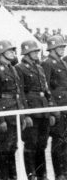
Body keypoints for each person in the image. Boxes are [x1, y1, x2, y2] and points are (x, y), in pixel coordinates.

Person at [16, 39, 54, 180]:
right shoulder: (20, 68)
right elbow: (21, 92)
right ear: (26, 53)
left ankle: (42, 174)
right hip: (31, 110)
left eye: (37, 51)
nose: (37, 53)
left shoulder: (39, 67)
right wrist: (26, 114)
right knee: (31, 144)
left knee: (42, 144)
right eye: (34, 51)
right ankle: (31, 174)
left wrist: (50, 110)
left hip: (43, 109)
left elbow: (46, 90)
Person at [0, 40, 24, 180]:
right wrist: (0, 119)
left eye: (12, 50)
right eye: (9, 50)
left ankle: (12, 176)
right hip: (5, 112)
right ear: (1, 53)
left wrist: (21, 116)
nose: (12, 53)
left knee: (13, 147)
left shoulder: (12, 68)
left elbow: (18, 93)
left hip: (14, 111)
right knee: (5, 148)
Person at [42, 34, 67, 180]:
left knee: (65, 141)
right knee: (58, 140)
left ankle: (65, 171)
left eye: (63, 47)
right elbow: (45, 87)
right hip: (57, 107)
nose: (63, 49)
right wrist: (52, 107)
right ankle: (59, 173)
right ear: (52, 48)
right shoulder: (47, 63)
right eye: (60, 47)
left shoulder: (62, 62)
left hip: (65, 106)